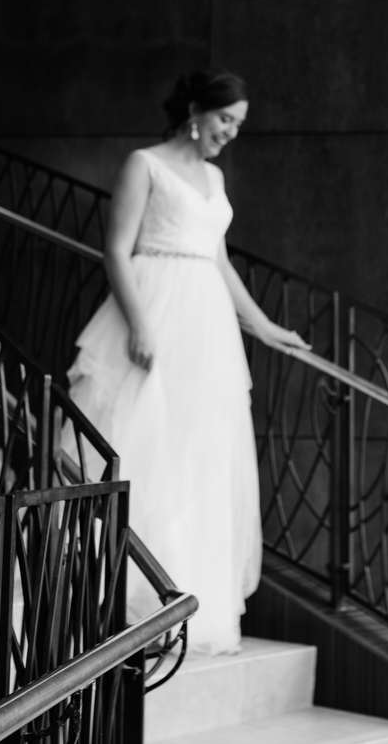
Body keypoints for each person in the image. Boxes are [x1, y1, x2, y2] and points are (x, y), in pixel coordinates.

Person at [68, 68, 309, 655]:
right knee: (143, 450)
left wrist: (265, 326)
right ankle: (122, 603)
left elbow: (218, 262)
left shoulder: (215, 176)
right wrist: (140, 323)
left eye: (239, 124)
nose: (232, 132)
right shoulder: (143, 164)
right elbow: (116, 251)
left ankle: (182, 606)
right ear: (197, 110)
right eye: (227, 119)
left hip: (207, 328)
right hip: (155, 312)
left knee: (197, 460)